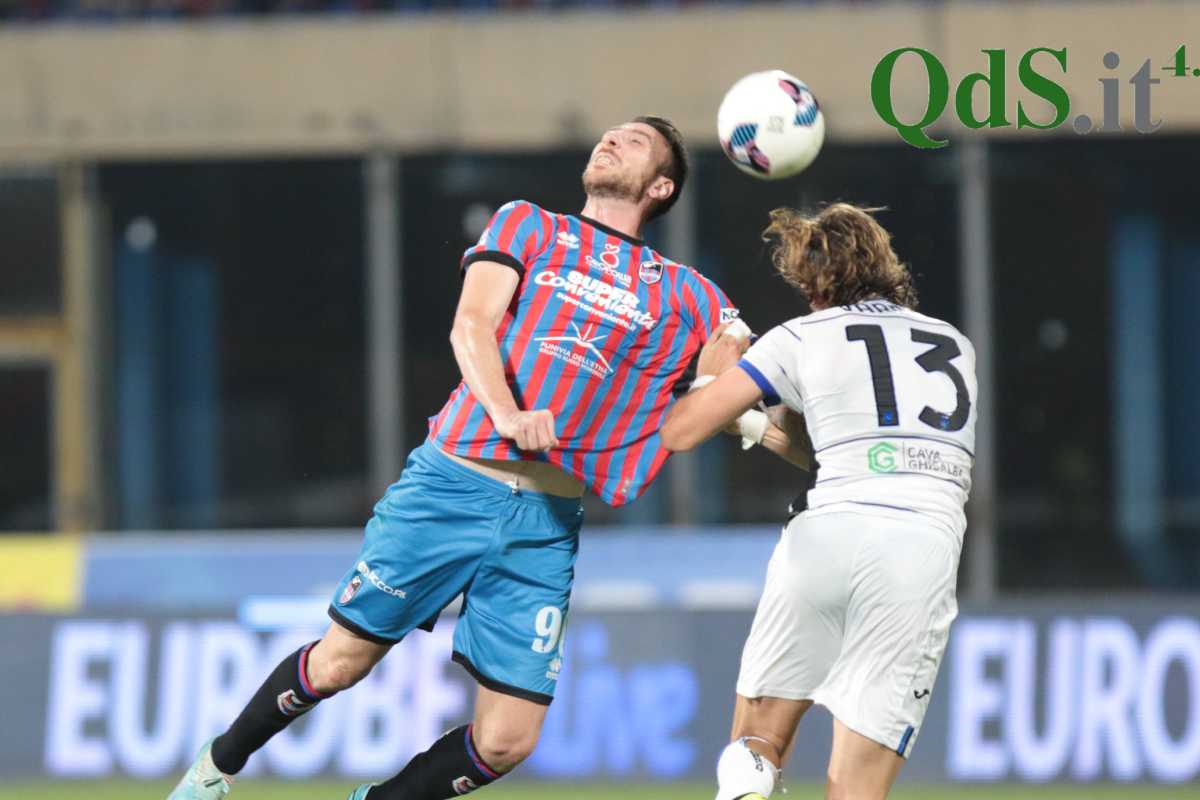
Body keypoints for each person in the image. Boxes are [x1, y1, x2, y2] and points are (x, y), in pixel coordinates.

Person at [168, 116, 746, 800]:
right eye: (612, 133)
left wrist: (728, 361)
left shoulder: (686, 293)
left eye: (635, 141)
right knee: (339, 663)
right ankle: (215, 769)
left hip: (546, 522)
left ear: (661, 185)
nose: (612, 140)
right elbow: (472, 322)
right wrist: (507, 413)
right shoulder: (530, 225)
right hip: (453, 485)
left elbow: (731, 361)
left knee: (508, 741)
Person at [661, 203, 977, 800]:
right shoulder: (955, 344)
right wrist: (755, 427)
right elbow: (865, 446)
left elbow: (681, 432)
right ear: (885, 264)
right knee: (856, 786)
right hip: (920, 550)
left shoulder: (800, 335)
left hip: (824, 538)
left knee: (756, 743)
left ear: (812, 282)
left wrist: (710, 382)